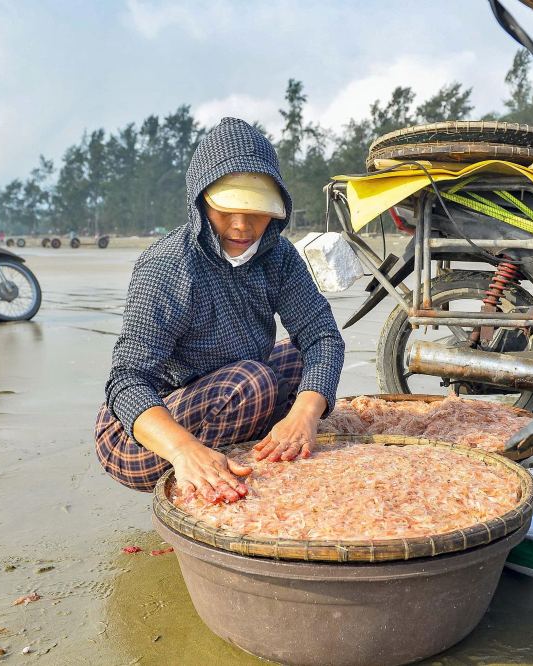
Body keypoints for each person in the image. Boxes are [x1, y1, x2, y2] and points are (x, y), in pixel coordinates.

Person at [95, 117, 345, 502]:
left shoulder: (278, 256)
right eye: (227, 210)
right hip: (139, 432)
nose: (242, 226)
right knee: (252, 382)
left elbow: (322, 336)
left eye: (256, 211)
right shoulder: (169, 266)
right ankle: (203, 467)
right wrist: (183, 449)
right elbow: (127, 381)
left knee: (299, 361)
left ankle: (252, 443)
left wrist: (305, 415)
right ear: (200, 202)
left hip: (230, 392)